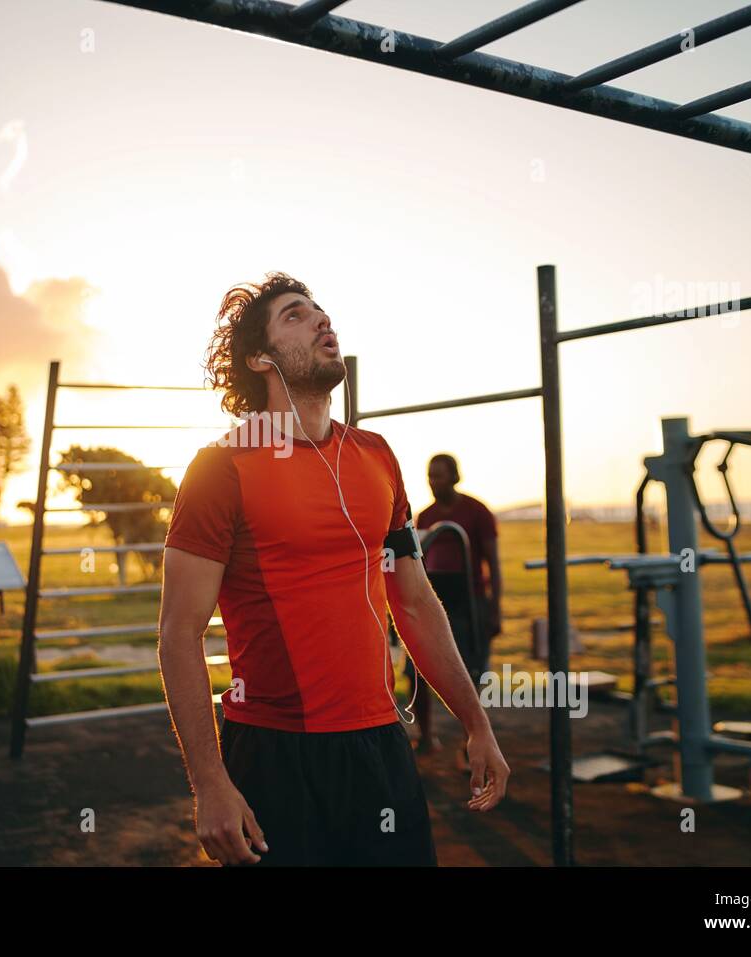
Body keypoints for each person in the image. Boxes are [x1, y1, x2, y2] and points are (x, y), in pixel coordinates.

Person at [159, 272, 509, 867]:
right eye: (296, 315)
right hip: (273, 753)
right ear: (260, 359)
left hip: (379, 747)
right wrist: (211, 783)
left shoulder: (377, 455)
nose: (322, 319)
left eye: (321, 310)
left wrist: (477, 721)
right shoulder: (220, 468)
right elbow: (178, 632)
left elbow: (416, 603)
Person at [412, 454, 504, 763]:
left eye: (439, 476)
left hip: (468, 598)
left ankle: (473, 744)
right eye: (430, 476)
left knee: (468, 671)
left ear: (455, 477)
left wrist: (494, 608)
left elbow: (493, 561)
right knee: (418, 666)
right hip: (436, 596)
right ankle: (426, 736)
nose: (433, 482)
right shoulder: (425, 517)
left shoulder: (476, 512)